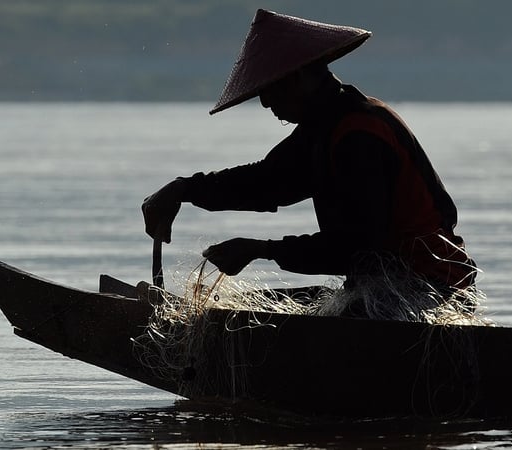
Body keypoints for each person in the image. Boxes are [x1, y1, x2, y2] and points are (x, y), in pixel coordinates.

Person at [141, 9, 478, 317]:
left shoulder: (360, 134)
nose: (264, 103)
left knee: (331, 321)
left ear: (300, 76)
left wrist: (261, 249)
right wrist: (184, 189)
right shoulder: (323, 130)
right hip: (381, 290)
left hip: (433, 291)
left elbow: (356, 247)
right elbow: (265, 183)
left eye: (270, 89)